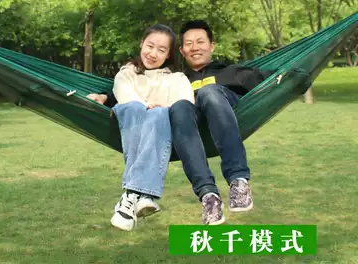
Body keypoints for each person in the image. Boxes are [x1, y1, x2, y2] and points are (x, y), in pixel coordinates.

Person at [89, 20, 274, 225]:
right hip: (188, 127)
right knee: (179, 106)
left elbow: (273, 79)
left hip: (222, 116)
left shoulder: (232, 73)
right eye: (189, 43)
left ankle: (238, 181)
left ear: (211, 46)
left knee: (209, 92)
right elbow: (140, 90)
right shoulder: (178, 79)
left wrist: (293, 76)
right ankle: (208, 195)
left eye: (200, 42)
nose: (195, 47)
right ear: (181, 51)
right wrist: (105, 96)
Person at [102, 24, 194, 232]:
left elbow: (185, 105)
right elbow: (125, 98)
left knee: (160, 114)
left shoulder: (177, 79)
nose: (153, 54)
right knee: (135, 108)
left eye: (161, 50)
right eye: (150, 46)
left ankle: (130, 197)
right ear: (141, 43)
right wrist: (146, 105)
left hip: (161, 134)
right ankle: (144, 194)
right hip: (131, 124)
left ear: (168, 54)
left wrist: (159, 108)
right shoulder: (126, 75)